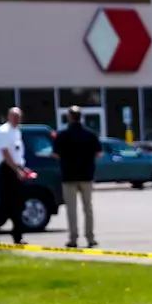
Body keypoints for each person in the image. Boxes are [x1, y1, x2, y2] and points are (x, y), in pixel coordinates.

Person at [51, 106, 102, 249]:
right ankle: (90, 238)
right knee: (88, 208)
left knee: (71, 209)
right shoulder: (90, 135)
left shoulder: (62, 135)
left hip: (69, 176)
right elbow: (99, 153)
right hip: (86, 175)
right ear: (81, 117)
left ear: (69, 118)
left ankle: (73, 238)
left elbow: (55, 154)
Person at [0, 107, 35, 244]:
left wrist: (23, 168)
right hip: (7, 170)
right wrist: (17, 170)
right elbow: (5, 154)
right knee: (5, 206)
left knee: (18, 204)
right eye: (14, 116)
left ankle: (17, 236)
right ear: (8, 116)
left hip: (16, 169)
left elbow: (17, 153)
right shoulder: (4, 131)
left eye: (19, 117)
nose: (17, 119)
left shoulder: (17, 132)